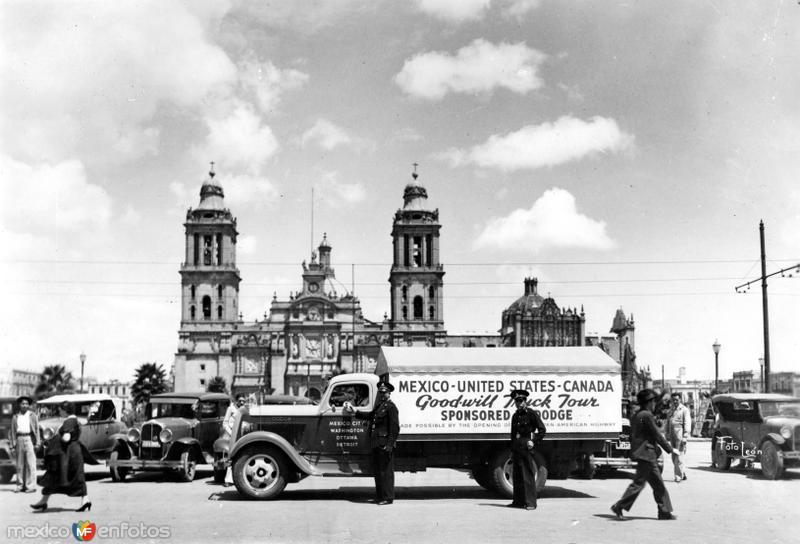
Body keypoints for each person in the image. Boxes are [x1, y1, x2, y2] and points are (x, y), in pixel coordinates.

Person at [611, 388, 675, 521]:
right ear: (648, 402)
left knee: (657, 484)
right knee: (640, 484)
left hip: (643, 453)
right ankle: (619, 506)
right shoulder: (646, 415)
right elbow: (656, 434)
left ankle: (664, 512)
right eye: (652, 401)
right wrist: (670, 449)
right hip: (647, 454)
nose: (654, 404)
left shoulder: (637, 415)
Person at [345, 381, 399, 505]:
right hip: (376, 443)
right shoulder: (380, 406)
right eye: (380, 392)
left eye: (384, 392)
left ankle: (388, 497)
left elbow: (395, 428)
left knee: (386, 472)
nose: (382, 394)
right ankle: (381, 496)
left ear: (389, 393)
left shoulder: (391, 407)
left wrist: (389, 445)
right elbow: (370, 416)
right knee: (379, 471)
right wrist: (355, 411)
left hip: (384, 443)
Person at [30, 402, 91, 512]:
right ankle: (85, 501)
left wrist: (58, 437)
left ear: (65, 410)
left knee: (55, 474)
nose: (59, 412)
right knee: (76, 476)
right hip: (75, 452)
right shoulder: (75, 420)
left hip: (67, 454)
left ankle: (43, 502)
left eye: (60, 410)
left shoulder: (68, 421)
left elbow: (66, 438)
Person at [507, 389, 546, 510]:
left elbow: (542, 430)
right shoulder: (515, 416)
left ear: (525, 401)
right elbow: (513, 435)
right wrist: (512, 451)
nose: (518, 403)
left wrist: (533, 441)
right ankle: (518, 501)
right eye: (516, 401)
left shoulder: (531, 413)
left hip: (526, 446)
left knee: (527, 475)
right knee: (517, 475)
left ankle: (530, 503)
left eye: (520, 400)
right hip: (517, 446)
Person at [10, 395, 40, 493]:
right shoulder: (15, 416)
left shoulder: (32, 415)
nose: (25, 405)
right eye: (23, 403)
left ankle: (31, 486)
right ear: (19, 405)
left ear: (29, 405)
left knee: (31, 463)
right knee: (20, 464)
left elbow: (37, 430)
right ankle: (20, 485)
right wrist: (12, 445)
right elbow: (13, 432)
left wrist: (37, 442)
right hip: (19, 439)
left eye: (27, 404)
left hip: (29, 439)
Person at [666, 392, 691, 482]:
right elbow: (668, 422)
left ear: (680, 399)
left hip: (680, 434)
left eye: (676, 400)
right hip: (672, 434)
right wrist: (667, 433)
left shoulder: (684, 410)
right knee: (673, 456)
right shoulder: (671, 410)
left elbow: (687, 423)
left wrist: (685, 436)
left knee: (679, 455)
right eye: (673, 400)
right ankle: (682, 472)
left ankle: (678, 476)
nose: (675, 401)